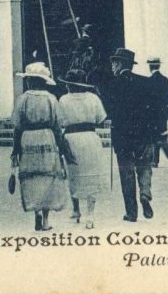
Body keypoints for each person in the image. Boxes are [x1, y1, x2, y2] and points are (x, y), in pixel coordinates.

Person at [12, 62, 73, 231]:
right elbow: (57, 125)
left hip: (28, 139)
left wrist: (15, 149)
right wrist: (61, 147)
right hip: (47, 137)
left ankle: (36, 212)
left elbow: (17, 127)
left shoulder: (23, 99)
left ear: (30, 81)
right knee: (48, 175)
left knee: (32, 175)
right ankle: (45, 219)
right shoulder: (50, 99)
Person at [100, 47, 157, 222]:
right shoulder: (146, 82)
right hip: (143, 134)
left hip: (122, 136)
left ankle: (131, 213)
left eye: (114, 63)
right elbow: (153, 109)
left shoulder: (111, 85)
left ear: (120, 64)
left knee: (127, 173)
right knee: (144, 167)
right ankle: (145, 194)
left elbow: (107, 112)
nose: (112, 66)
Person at [58, 69, 108, 229]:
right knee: (91, 175)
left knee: (73, 174)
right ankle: (90, 214)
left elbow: (60, 121)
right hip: (90, 139)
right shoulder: (93, 98)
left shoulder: (63, 100)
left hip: (71, 139)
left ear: (69, 85)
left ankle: (76, 209)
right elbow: (101, 119)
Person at [147, 56, 168, 170]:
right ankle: (155, 161)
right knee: (159, 137)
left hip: (152, 115)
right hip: (162, 115)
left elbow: (148, 100)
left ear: (150, 67)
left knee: (157, 138)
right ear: (159, 66)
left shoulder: (149, 81)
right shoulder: (165, 80)